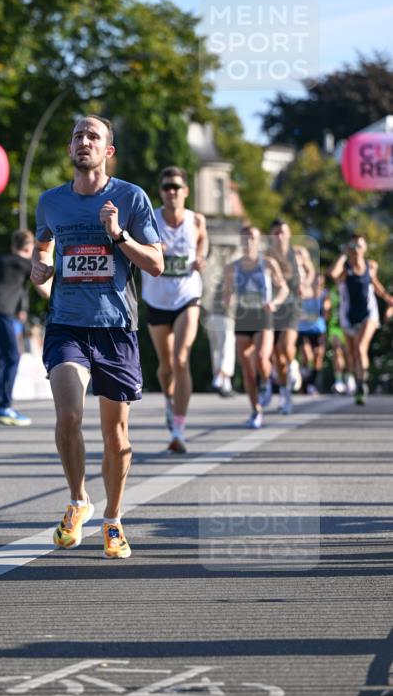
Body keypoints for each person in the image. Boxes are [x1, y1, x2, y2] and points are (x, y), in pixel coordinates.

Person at [31, 114, 163, 559]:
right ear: (70, 149)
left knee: (117, 437)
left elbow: (156, 264)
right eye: (77, 136)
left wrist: (118, 235)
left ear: (108, 151)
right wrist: (39, 267)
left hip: (116, 328)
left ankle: (113, 519)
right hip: (66, 324)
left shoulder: (130, 197)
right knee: (69, 416)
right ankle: (77, 501)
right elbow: (43, 248)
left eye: (93, 136)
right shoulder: (50, 202)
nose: (83, 141)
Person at [140, 166, 208, 453]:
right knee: (166, 368)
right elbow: (134, 247)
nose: (172, 192)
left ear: (186, 191)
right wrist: (154, 250)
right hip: (157, 300)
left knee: (181, 360)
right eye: (167, 187)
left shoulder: (196, 220)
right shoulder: (150, 219)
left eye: (176, 187)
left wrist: (201, 257)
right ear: (161, 192)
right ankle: (169, 401)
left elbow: (202, 239)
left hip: (187, 297)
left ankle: (178, 429)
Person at [0, 229, 49, 427]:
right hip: (0, 311)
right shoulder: (24, 263)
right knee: (12, 357)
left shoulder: (0, 260)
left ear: (13, 245)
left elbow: (5, 285)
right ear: (29, 247)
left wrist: (18, 309)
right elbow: (44, 292)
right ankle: (4, 407)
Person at [223, 225, 288, 429]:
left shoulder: (267, 263)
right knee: (248, 371)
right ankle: (255, 410)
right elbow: (226, 294)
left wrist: (275, 302)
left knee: (261, 357)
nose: (248, 241)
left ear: (258, 240)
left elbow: (283, 289)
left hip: (263, 316)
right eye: (245, 237)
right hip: (243, 318)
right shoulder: (231, 267)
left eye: (252, 237)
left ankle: (267, 381)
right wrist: (228, 300)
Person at [328, 236, 393, 405]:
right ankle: (357, 381)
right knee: (351, 354)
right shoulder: (345, 268)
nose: (356, 249)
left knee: (361, 347)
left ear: (365, 248)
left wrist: (388, 299)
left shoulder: (370, 266)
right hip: (348, 314)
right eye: (353, 246)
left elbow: (375, 285)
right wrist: (343, 255)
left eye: (359, 245)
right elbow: (333, 274)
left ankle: (361, 383)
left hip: (368, 314)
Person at [265, 219, 315, 415]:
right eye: (276, 232)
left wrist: (305, 284)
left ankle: (293, 364)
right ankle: (285, 394)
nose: (279, 236)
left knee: (285, 346)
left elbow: (311, 272)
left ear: (289, 234)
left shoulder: (299, 252)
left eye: (282, 232)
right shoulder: (267, 255)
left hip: (293, 305)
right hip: (274, 306)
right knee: (276, 354)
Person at [297, 274, 328, 394]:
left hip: (319, 330)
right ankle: (303, 383)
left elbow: (326, 312)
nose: (318, 286)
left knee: (318, 357)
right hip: (304, 330)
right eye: (316, 283)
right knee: (307, 356)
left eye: (321, 284)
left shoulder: (324, 295)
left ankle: (311, 383)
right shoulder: (304, 294)